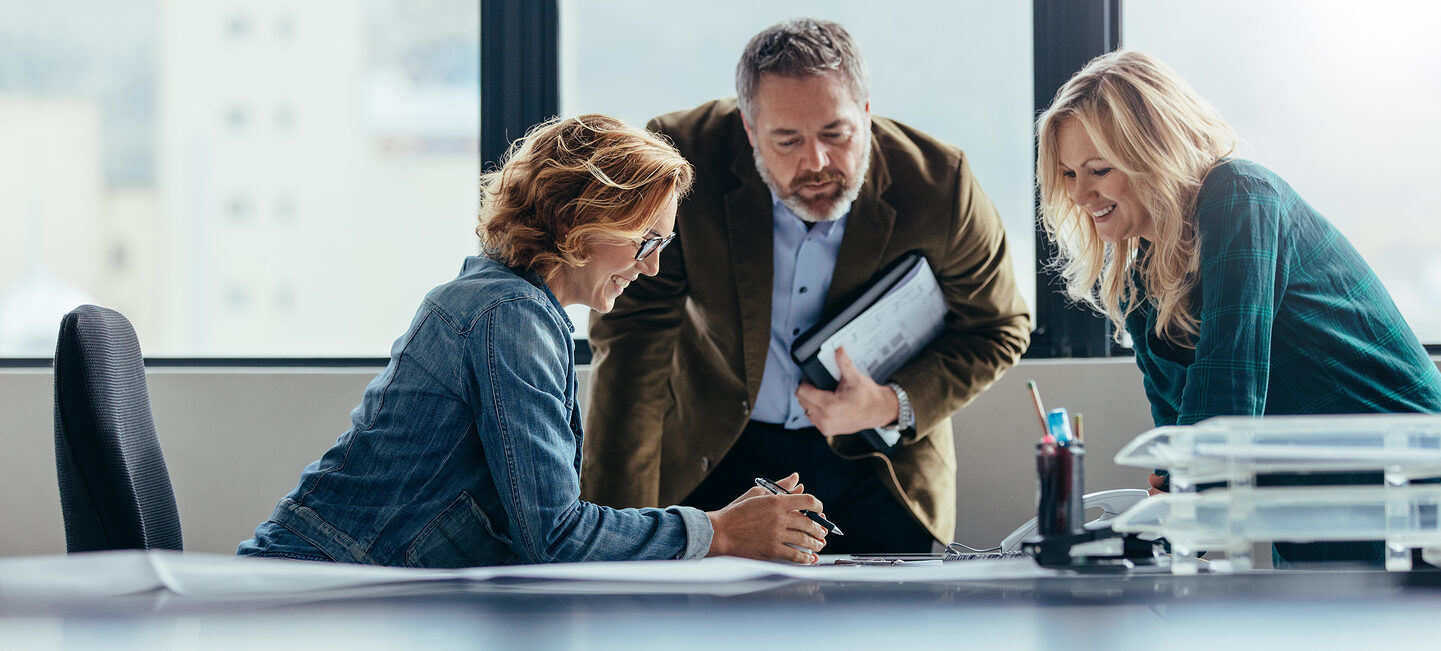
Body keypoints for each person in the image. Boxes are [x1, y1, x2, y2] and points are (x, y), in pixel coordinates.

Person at [237, 114, 830, 567]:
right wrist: (720, 533)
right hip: (317, 586)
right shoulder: (511, 316)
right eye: (645, 241)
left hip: (345, 581)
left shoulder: (508, 302)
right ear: (584, 218)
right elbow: (556, 535)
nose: (650, 268)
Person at [583, 18, 1031, 554]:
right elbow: (633, 337)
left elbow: (999, 326)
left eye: (836, 134)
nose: (816, 162)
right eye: (787, 140)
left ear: (865, 114)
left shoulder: (940, 183)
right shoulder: (684, 159)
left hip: (877, 464)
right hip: (719, 447)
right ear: (749, 130)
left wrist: (890, 404)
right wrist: (617, 532)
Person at [1035, 50, 1441, 565]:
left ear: (1152, 152)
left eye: (1098, 170)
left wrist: (1180, 489)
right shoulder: (1137, 285)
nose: (1081, 194)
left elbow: (1228, 378)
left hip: (1399, 472)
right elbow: (1181, 432)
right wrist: (1169, 492)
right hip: (1305, 486)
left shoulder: (1239, 194)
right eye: (1066, 174)